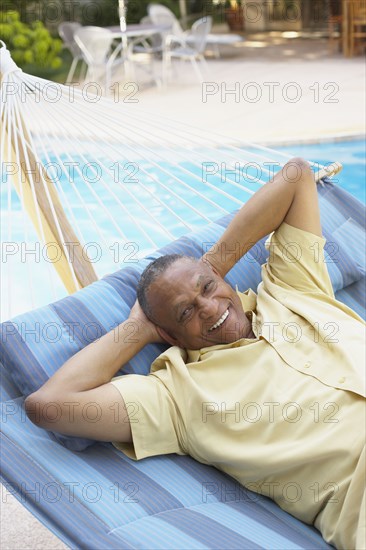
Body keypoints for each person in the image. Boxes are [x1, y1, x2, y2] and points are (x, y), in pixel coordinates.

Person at [25, 158, 365, 550]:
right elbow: (50, 406)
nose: (208, 308)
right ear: (168, 334)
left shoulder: (293, 289)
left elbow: (297, 176)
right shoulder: (179, 396)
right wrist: (137, 329)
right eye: (186, 312)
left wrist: (210, 270)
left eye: (207, 289)